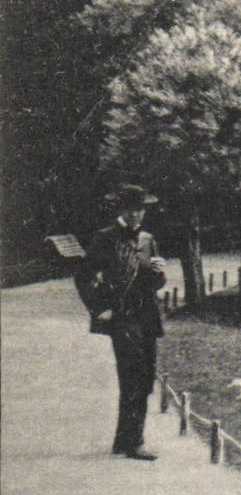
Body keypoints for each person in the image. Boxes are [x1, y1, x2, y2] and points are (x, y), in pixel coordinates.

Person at [73, 183, 167, 460]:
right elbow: (83, 276)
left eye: (141, 209)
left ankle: (122, 441)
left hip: (146, 316)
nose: (137, 214)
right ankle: (133, 442)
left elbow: (153, 282)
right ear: (122, 210)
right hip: (123, 317)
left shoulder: (148, 240)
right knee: (131, 379)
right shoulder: (105, 238)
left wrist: (160, 274)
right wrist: (99, 308)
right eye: (132, 209)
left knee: (146, 379)